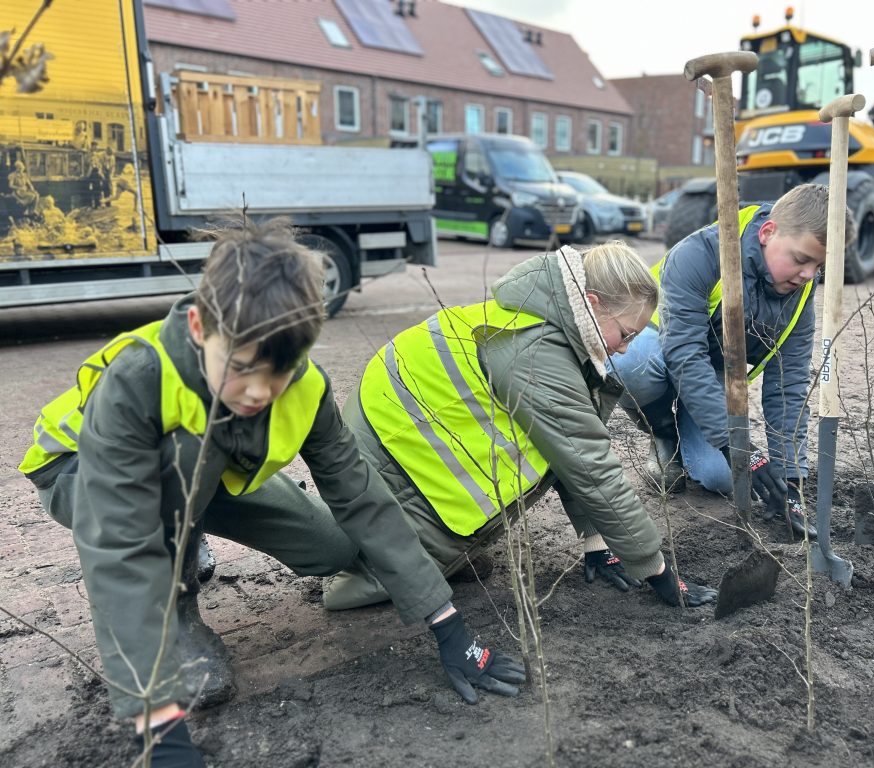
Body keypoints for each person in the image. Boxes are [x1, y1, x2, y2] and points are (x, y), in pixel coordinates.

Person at [18, 219, 524, 767]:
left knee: (332, 546)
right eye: (240, 369)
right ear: (196, 326)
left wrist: (446, 624)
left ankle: (195, 523)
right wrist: (156, 722)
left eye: (278, 373)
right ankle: (179, 608)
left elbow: (362, 498)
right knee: (187, 460)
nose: (259, 392)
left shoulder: (305, 383)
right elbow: (114, 544)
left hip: (206, 471)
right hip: (83, 476)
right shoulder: (142, 374)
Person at [323, 241, 718, 614]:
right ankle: (360, 561)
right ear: (593, 304)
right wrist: (658, 571)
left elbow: (571, 447)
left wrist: (599, 541)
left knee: (468, 557)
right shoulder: (535, 352)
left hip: (392, 466)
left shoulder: (547, 323)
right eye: (627, 333)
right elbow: (589, 465)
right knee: (374, 583)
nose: (626, 348)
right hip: (382, 484)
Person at [613, 183, 855, 540]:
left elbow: (787, 384)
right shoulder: (702, 253)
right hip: (657, 347)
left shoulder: (800, 295)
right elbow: (683, 354)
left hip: (710, 379)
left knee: (721, 477)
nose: (808, 275)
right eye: (802, 259)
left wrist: (789, 479)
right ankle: (663, 433)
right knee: (632, 364)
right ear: (768, 232)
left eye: (819, 266)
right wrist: (738, 444)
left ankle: (692, 439)